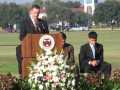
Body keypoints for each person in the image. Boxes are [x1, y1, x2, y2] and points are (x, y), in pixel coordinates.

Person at [17, 5, 49, 77]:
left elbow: (47, 36)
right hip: (29, 49)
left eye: (38, 13)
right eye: (35, 13)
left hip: (41, 50)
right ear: (30, 12)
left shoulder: (43, 23)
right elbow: (21, 37)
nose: (36, 15)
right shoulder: (24, 22)